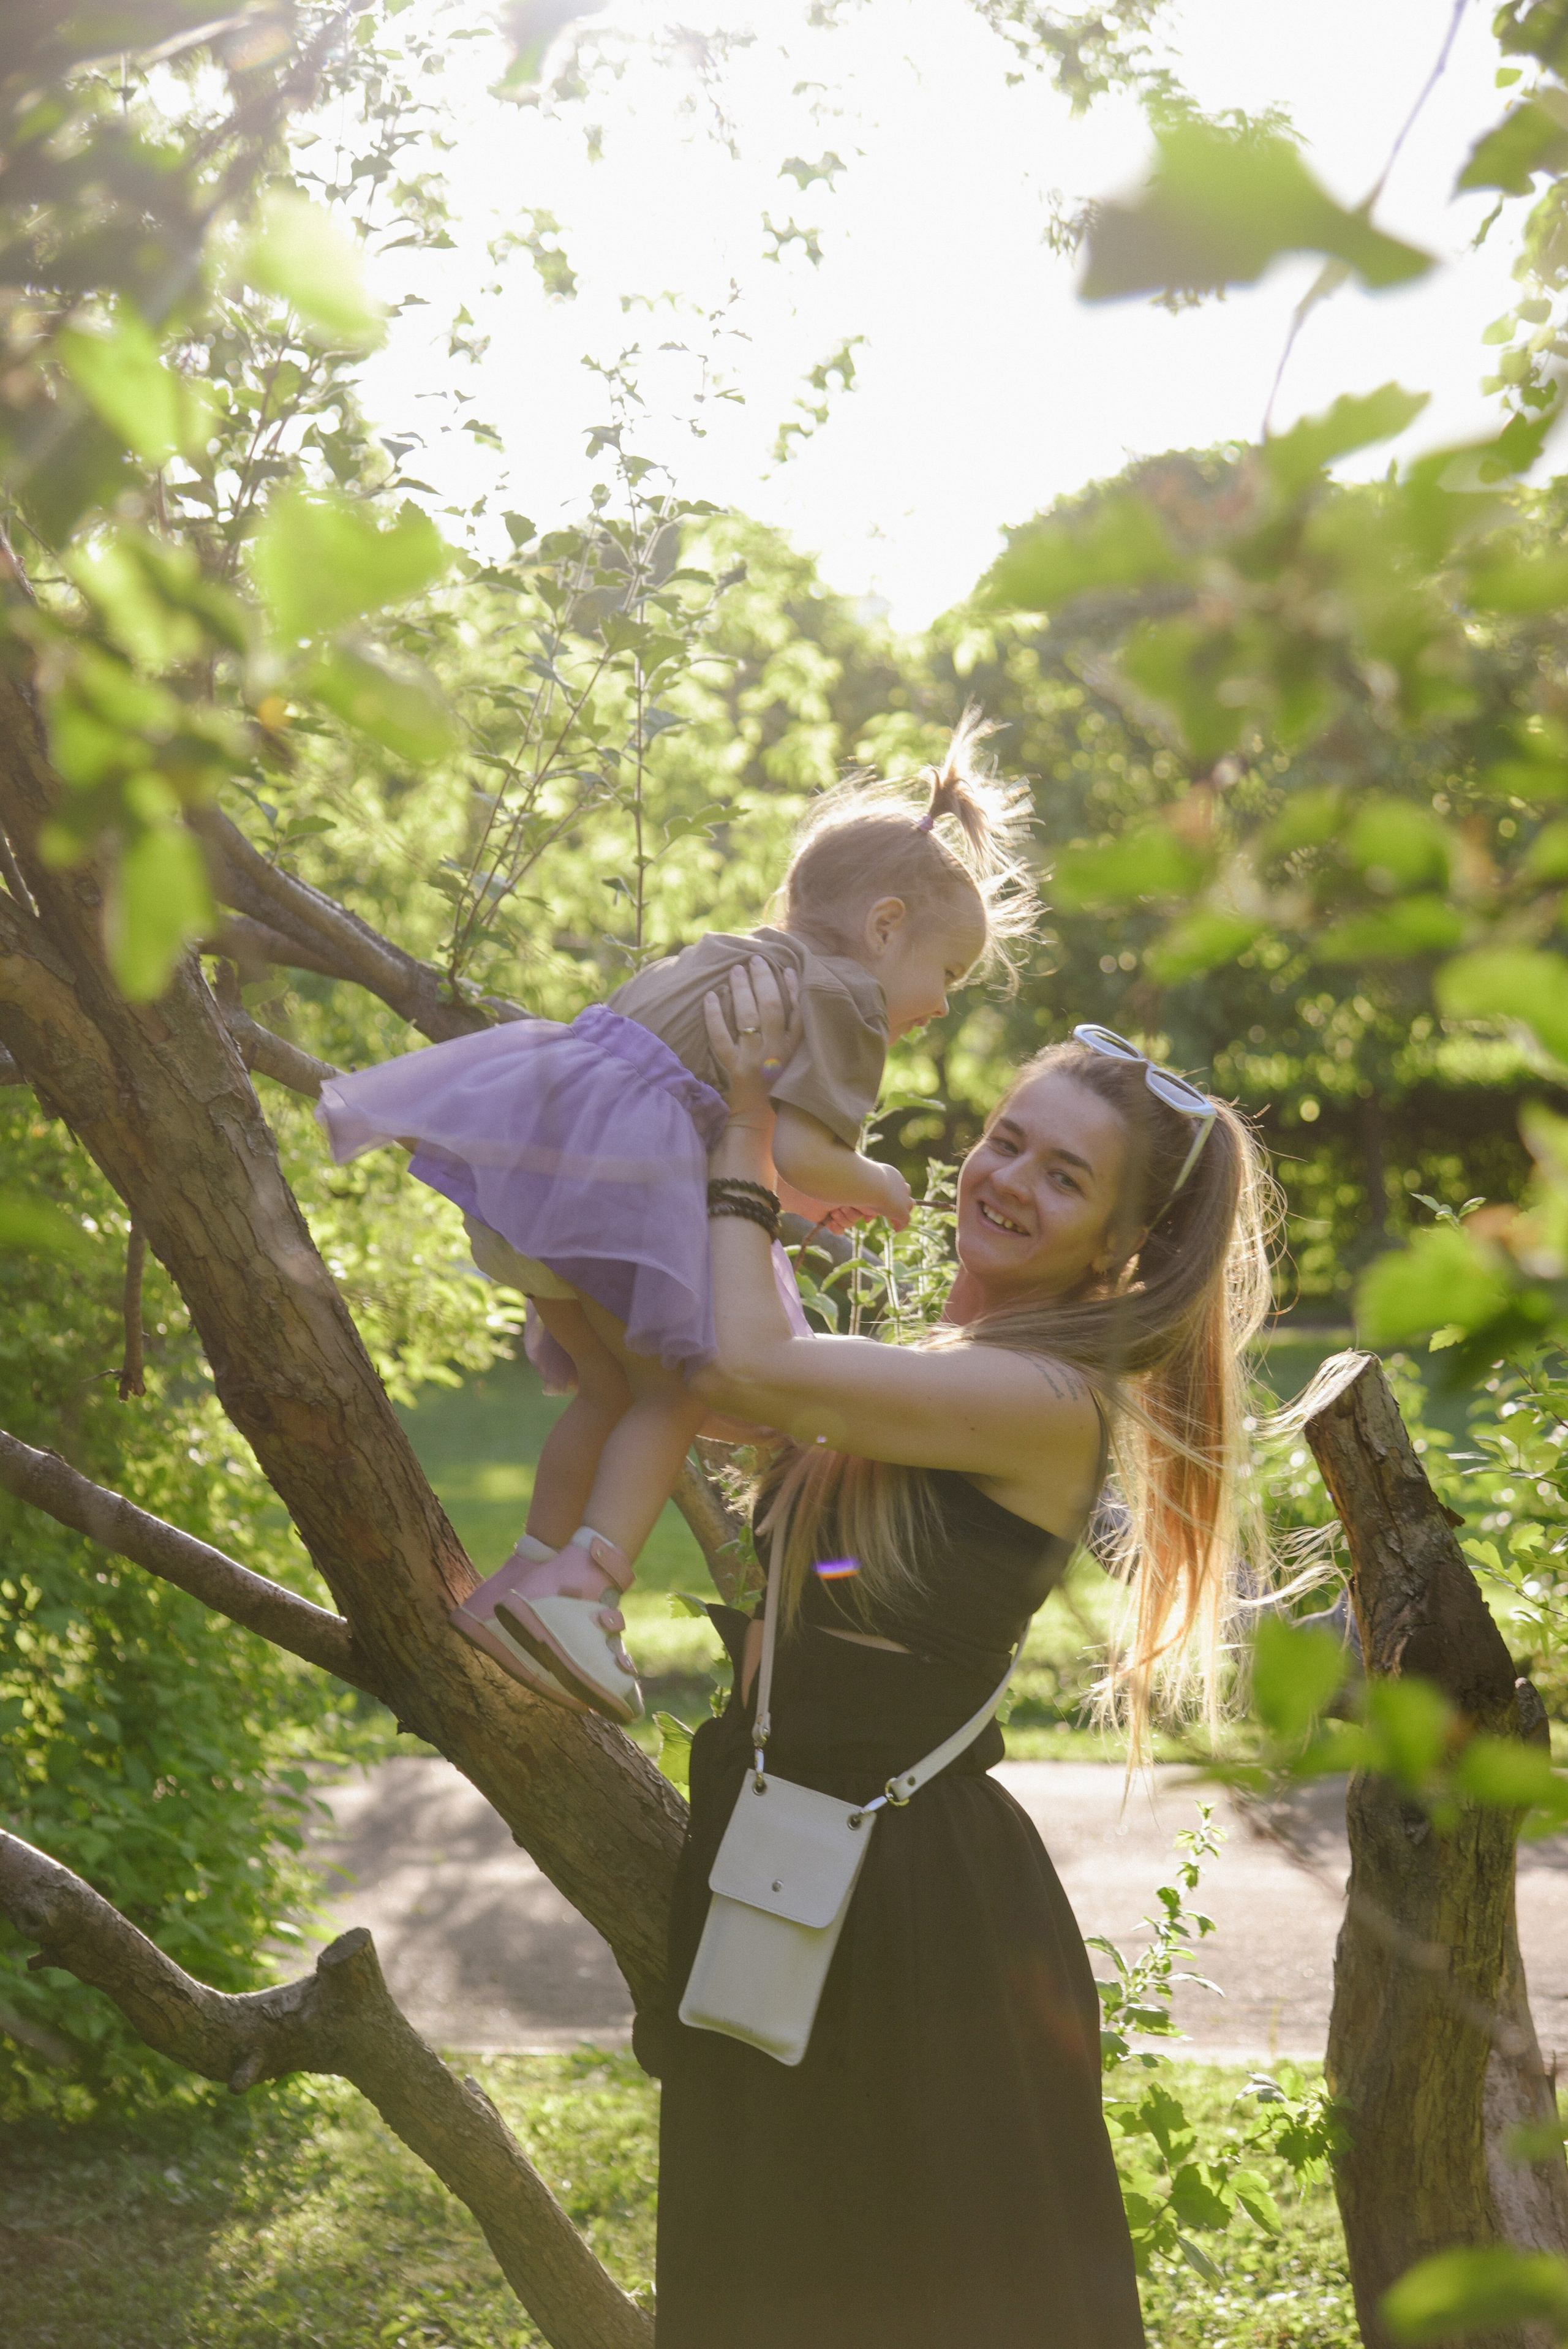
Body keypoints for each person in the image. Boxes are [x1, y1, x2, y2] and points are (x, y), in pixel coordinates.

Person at [646, 960, 1273, 2349]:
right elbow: (760, 1441)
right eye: (1005, 1138)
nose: (1003, 1178)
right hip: (793, 1862)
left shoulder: (1044, 1397)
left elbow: (740, 1366)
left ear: (1118, 1246)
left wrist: (748, 1110)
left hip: (914, 1916)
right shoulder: (954, 1358)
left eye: (1062, 1177)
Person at [315, 712, 1035, 1722]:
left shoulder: (736, 953)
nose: (943, 1006)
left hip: (539, 1189)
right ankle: (585, 1588)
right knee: (676, 1394)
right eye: (948, 975)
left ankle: (517, 1582)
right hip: (611, 1206)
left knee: (606, 1391)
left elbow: (720, 1125)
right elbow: (793, 1150)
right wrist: (878, 1186)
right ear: (885, 927)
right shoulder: (846, 999)